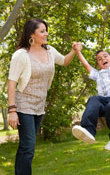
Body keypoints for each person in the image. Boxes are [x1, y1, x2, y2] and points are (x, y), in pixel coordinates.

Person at [7, 18, 77, 175]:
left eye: (46, 30)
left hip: (39, 105)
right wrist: (12, 110)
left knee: (26, 146)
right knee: (28, 146)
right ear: (32, 34)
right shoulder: (21, 54)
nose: (46, 34)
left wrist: (73, 50)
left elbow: (64, 61)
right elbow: (11, 82)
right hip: (23, 104)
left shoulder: (49, 50)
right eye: (42, 31)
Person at [72, 34, 110, 152]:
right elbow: (86, 65)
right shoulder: (98, 74)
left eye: (105, 56)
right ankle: (88, 130)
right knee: (93, 99)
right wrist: (77, 52)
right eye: (99, 59)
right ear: (98, 65)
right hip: (106, 102)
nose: (103, 59)